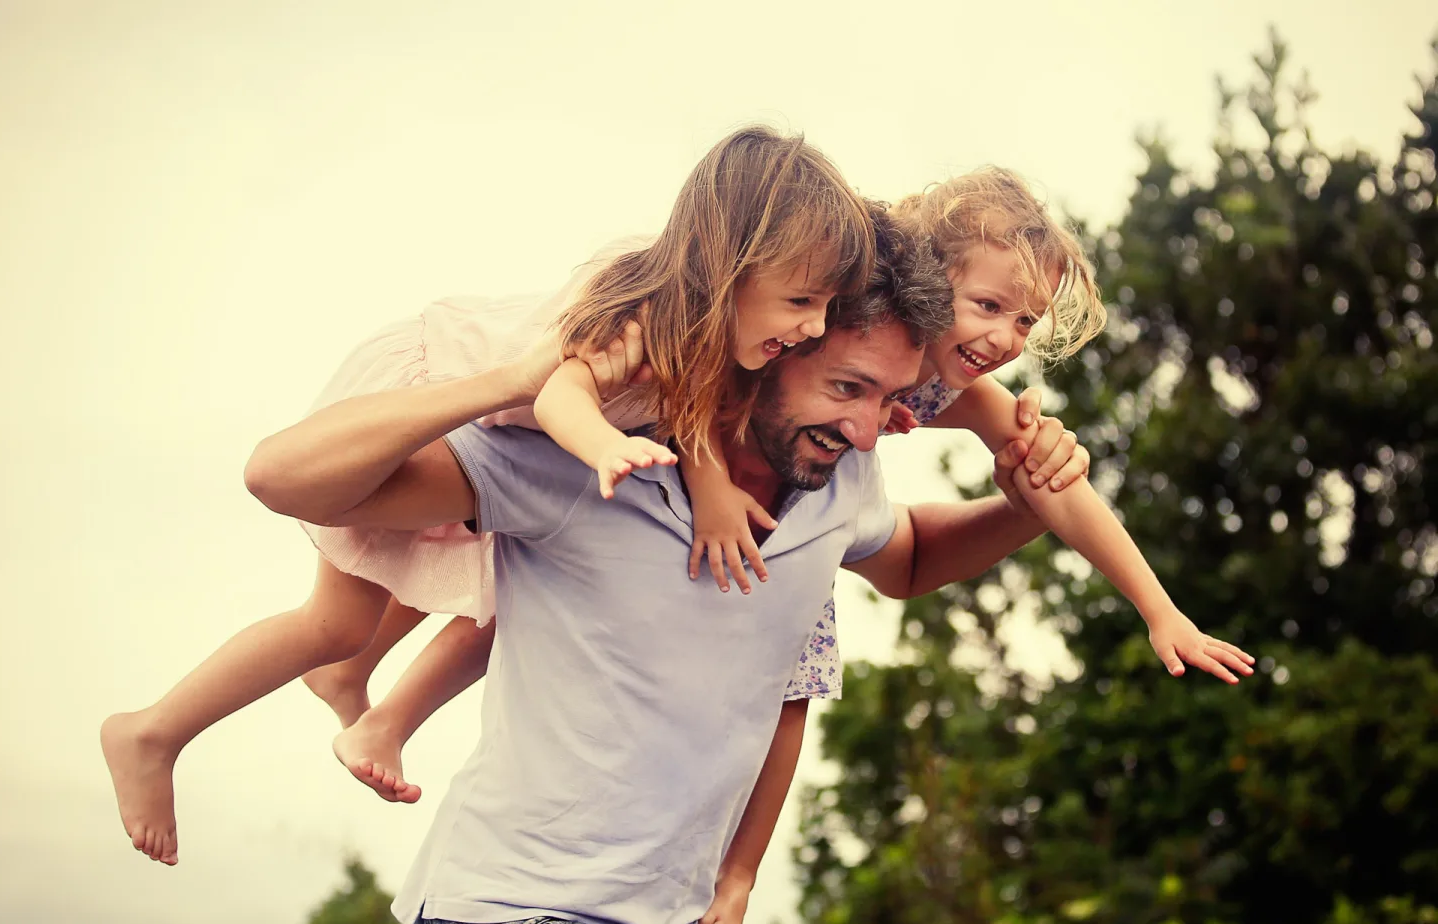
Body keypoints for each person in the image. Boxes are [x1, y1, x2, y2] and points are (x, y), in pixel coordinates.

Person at [240, 207, 1090, 924]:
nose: (872, 431)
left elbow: (914, 560)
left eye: (888, 397)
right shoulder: (585, 463)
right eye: (847, 389)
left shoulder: (840, 477)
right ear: (767, 354)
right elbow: (285, 478)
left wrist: (1020, 507)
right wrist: (505, 380)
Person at [99, 125, 877, 865]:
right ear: (732, 266)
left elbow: (699, 408)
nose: (811, 329)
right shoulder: (642, 317)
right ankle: (154, 731)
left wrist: (710, 492)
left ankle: (348, 686)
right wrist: (605, 445)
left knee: (414, 618)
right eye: (802, 302)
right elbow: (557, 397)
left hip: (503, 449)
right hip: (434, 388)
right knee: (331, 623)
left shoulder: (722, 341)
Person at [694, 167, 1256, 924]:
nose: (1005, 339)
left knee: (797, 691)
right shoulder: (833, 325)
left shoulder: (955, 391)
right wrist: (709, 482)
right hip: (712, 492)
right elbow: (701, 373)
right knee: (501, 603)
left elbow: (1055, 488)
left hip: (800, 532)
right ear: (930, 275)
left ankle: (739, 874)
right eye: (988, 306)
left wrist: (1158, 609)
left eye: (1025, 321)